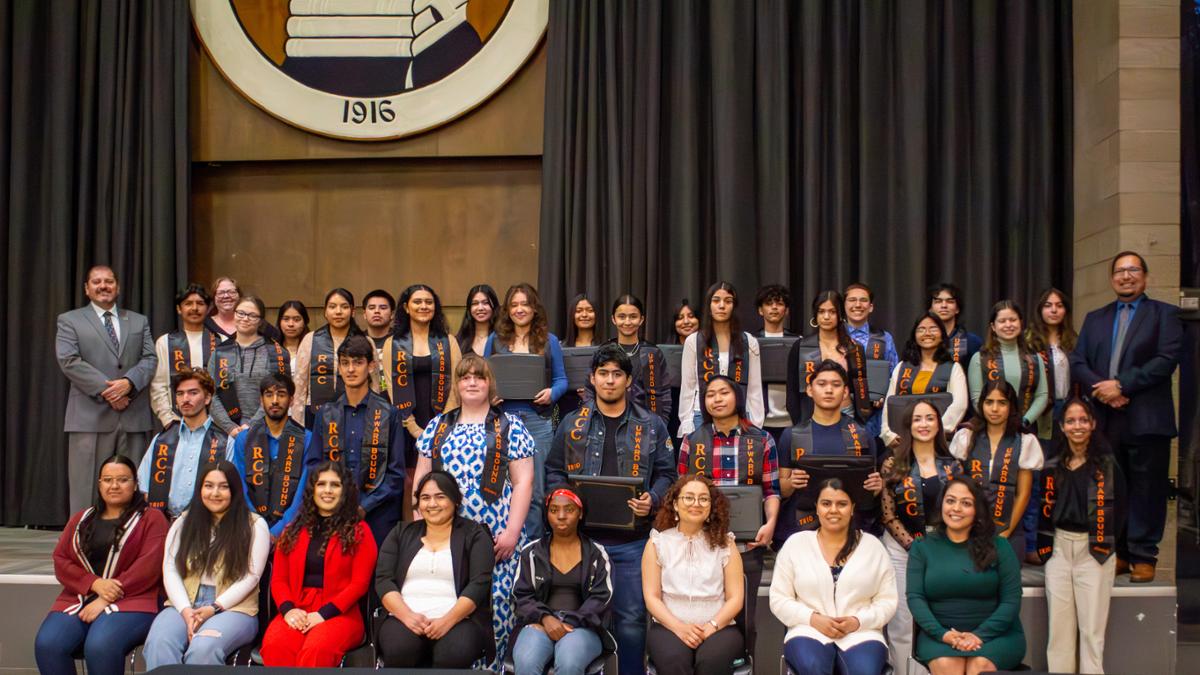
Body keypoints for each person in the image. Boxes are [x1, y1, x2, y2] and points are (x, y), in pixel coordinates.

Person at [546, 343, 676, 675]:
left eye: (617, 374)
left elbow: (667, 475)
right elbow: (554, 470)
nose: (609, 380)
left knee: (631, 620)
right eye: (603, 374)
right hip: (581, 543)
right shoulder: (573, 422)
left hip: (632, 542)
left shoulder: (651, 425)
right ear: (592, 378)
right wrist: (562, 499)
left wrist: (654, 499)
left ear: (629, 381)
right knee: (577, 620)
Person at [412, 354, 536, 666]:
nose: (471, 382)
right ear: (456, 383)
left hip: (496, 539)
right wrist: (419, 531)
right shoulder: (438, 426)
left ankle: (492, 669)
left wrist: (511, 532)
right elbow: (421, 481)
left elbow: (524, 483)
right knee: (448, 603)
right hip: (445, 537)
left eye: (478, 377)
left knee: (494, 607)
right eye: (465, 377)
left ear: (489, 383)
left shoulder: (510, 426)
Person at [1070, 251, 1181, 583]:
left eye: (1133, 270)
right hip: (1106, 418)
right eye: (1120, 271)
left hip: (1147, 417)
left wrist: (1122, 385)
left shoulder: (1165, 314)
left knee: (1148, 487)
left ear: (1145, 277)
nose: (1126, 276)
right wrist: (1103, 390)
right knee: (1110, 486)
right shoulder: (1095, 318)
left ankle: (1144, 555)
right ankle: (1117, 552)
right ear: (1111, 278)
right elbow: (1078, 361)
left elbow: (1166, 359)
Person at [35, 455, 168, 675]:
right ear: (99, 484)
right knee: (48, 645)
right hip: (82, 597)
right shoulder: (82, 519)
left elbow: (149, 566)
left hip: (135, 599)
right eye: (107, 480)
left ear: (135, 484)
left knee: (100, 646)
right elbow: (61, 560)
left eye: (123, 480)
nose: (114, 485)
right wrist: (94, 584)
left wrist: (106, 596)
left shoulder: (152, 518)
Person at [676, 374, 779, 655]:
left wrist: (770, 523)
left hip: (747, 546)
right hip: (703, 546)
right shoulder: (692, 441)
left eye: (724, 393)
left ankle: (741, 665)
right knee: (699, 615)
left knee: (745, 619)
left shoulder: (762, 439)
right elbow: (682, 495)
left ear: (738, 397)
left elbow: (771, 490)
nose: (717, 399)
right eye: (710, 395)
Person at [143, 461, 271, 668]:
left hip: (234, 608)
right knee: (159, 643)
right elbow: (170, 568)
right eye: (208, 485)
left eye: (224, 486)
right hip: (184, 602)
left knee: (203, 649)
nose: (215, 493)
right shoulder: (183, 522)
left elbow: (251, 576)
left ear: (235, 490)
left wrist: (214, 608)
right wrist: (185, 610)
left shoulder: (255, 525)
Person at [56, 264, 158, 512]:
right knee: (86, 490)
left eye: (109, 281)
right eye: (96, 281)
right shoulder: (70, 320)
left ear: (118, 287)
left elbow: (150, 358)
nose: (103, 286)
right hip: (89, 418)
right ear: (87, 289)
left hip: (133, 417)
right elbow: (69, 360)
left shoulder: (137, 320)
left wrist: (129, 384)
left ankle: (130, 542)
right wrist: (111, 391)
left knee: (132, 487)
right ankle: (83, 544)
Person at [770, 478, 896, 675]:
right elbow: (778, 599)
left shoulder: (873, 547)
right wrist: (812, 618)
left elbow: (887, 601)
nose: (833, 510)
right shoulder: (796, 544)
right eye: (826, 503)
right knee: (813, 667)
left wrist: (857, 621)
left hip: (861, 633)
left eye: (842, 504)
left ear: (852, 508)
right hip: (808, 630)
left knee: (863, 671)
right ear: (817, 508)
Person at [259, 461, 378, 667]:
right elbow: (279, 580)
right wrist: (289, 611)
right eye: (321, 484)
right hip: (297, 609)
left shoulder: (359, 532)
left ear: (345, 491)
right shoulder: (292, 530)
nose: (328, 490)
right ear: (312, 490)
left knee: (316, 650)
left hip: (340, 614)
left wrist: (322, 615)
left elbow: (359, 585)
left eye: (335, 485)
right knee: (275, 646)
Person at [1038, 398, 1125, 674]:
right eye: (1071, 421)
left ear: (1093, 424)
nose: (1078, 426)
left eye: (1083, 420)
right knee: (1059, 636)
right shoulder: (1053, 466)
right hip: (1060, 550)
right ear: (1062, 427)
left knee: (1091, 634)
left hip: (1094, 552)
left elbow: (1121, 510)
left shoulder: (1107, 466)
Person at [374, 471, 496, 668]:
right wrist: (407, 616)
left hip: (458, 620)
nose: (432, 504)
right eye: (425, 498)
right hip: (404, 618)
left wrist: (447, 621)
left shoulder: (474, 534)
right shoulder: (400, 532)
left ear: (455, 500)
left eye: (440, 497)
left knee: (455, 653)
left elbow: (479, 584)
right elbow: (383, 580)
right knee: (400, 649)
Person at [906, 478, 1025, 673]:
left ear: (977, 509)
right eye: (950, 500)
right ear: (942, 504)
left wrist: (978, 636)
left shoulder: (1000, 546)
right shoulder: (922, 547)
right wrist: (944, 635)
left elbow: (1011, 601)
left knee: (979, 666)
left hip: (997, 636)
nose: (956, 508)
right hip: (939, 636)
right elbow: (915, 598)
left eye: (966, 503)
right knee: (947, 665)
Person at [879, 401, 962, 671]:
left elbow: (961, 512)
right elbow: (888, 514)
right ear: (908, 426)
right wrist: (914, 546)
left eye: (929, 418)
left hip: (944, 550)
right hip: (901, 550)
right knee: (901, 622)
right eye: (917, 419)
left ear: (939, 424)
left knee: (941, 618)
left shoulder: (954, 466)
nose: (923, 424)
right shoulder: (893, 464)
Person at [484, 282, 568, 539]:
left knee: (536, 490)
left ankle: (532, 548)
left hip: (537, 422)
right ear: (507, 310)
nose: (520, 309)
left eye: (525, 304)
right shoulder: (494, 341)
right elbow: (483, 377)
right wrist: (491, 395)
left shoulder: (549, 340)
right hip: (501, 421)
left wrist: (551, 394)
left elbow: (562, 381)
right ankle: (501, 541)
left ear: (534, 308)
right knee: (498, 485)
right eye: (514, 305)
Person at [305, 334, 406, 545]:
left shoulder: (389, 413)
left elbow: (395, 474)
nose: (351, 369)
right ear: (339, 369)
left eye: (358, 362)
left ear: (370, 366)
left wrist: (364, 506)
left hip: (378, 515)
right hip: (332, 511)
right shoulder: (325, 414)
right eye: (345, 363)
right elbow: (314, 465)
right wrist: (334, 501)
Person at [642, 474, 745, 675]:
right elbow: (651, 598)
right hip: (668, 627)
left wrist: (711, 627)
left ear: (710, 507)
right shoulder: (657, 543)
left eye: (704, 499)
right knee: (674, 662)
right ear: (675, 504)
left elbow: (736, 599)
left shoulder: (726, 544)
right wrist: (679, 627)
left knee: (710, 662)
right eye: (688, 497)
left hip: (720, 628)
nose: (696, 503)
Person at [776, 361, 884, 548]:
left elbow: (869, 491)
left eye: (836, 385)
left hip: (850, 529)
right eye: (822, 384)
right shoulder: (792, 435)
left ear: (845, 392)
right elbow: (782, 490)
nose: (828, 390)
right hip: (803, 530)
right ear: (809, 390)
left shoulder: (861, 434)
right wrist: (791, 482)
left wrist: (877, 486)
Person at [511, 488, 614, 675]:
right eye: (553, 510)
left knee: (569, 662)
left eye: (569, 509)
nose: (561, 516)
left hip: (583, 628)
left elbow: (601, 599)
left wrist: (563, 621)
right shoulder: (531, 553)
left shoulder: (597, 554)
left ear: (580, 513)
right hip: (539, 625)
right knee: (526, 663)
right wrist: (545, 618)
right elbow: (521, 597)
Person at [950, 380, 1043, 561]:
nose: (994, 409)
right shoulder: (966, 437)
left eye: (1002, 403)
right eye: (989, 402)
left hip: (1009, 532)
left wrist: (1005, 533)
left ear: (1011, 406)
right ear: (981, 404)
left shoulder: (1024, 441)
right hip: (968, 530)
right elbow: (957, 487)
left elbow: (1024, 494)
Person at [1023, 287, 1078, 564]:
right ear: (1040, 310)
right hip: (1039, 416)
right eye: (1048, 305)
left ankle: (1064, 544)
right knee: (1035, 482)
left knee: (1065, 481)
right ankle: (1033, 543)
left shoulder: (1074, 341)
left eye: (1059, 305)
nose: (1054, 310)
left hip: (1070, 412)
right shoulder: (1029, 342)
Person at [138, 369, 232, 518]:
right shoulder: (161, 440)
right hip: (163, 523)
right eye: (180, 394)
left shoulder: (225, 442)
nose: (185, 399)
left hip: (206, 523)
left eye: (193, 393)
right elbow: (144, 489)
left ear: (207, 398)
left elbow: (231, 491)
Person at [229, 372, 311, 538]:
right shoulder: (244, 440)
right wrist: (258, 526)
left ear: (292, 400)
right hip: (251, 527)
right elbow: (240, 488)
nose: (275, 400)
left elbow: (303, 492)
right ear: (261, 400)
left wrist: (279, 530)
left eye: (281, 394)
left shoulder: (307, 439)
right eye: (269, 395)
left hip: (292, 530)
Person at [678, 281, 764, 437]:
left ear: (734, 306)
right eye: (716, 300)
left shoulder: (749, 342)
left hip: (740, 415)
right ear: (709, 305)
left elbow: (754, 389)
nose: (722, 306)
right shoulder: (694, 341)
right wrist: (686, 423)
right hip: (701, 414)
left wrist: (756, 425)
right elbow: (688, 388)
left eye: (728, 301)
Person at [879, 313, 970, 448]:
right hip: (903, 442)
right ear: (914, 336)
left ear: (942, 335)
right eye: (921, 329)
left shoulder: (953, 368)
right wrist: (888, 434)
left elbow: (959, 405)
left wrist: (933, 431)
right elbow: (890, 404)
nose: (927, 333)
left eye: (933, 329)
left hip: (940, 442)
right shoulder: (902, 367)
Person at [387, 284, 462, 443]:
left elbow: (457, 384)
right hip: (405, 422)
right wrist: (414, 429)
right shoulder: (392, 343)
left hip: (444, 423)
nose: (423, 306)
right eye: (417, 302)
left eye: (429, 302)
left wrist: (442, 425)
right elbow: (391, 387)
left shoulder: (449, 341)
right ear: (407, 307)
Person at [785, 291, 873, 427]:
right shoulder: (801, 346)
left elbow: (861, 387)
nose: (826, 317)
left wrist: (860, 420)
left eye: (832, 312)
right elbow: (792, 390)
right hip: (810, 414)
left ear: (840, 315)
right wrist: (798, 422)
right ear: (815, 314)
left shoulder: (853, 347)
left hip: (846, 413)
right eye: (821, 312)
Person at [208, 296, 290, 436]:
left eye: (252, 315)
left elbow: (280, 394)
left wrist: (251, 426)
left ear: (260, 321)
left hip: (266, 430)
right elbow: (211, 393)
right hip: (224, 433)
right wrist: (230, 428)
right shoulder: (220, 352)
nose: (245, 319)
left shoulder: (276, 353)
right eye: (241, 313)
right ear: (234, 314)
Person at [967, 300, 1049, 428]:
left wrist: (1025, 421)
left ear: (1021, 323)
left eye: (1013, 320)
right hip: (990, 429)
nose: (1008, 325)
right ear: (993, 327)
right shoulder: (979, 359)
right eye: (1002, 321)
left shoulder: (1035, 358)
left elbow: (1042, 396)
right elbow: (977, 399)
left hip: (1025, 429)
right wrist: (997, 422)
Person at [151, 283, 220, 428]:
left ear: (208, 309)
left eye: (200, 303)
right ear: (179, 309)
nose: (194, 308)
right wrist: (168, 420)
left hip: (215, 423)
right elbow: (159, 386)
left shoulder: (221, 342)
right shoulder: (165, 342)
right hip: (176, 422)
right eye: (188, 303)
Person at [291, 288, 362, 426]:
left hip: (356, 414)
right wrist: (298, 425)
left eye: (344, 306)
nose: (338, 312)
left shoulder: (364, 341)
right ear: (325, 311)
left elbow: (374, 386)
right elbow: (299, 388)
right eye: (332, 306)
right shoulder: (311, 339)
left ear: (352, 311)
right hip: (315, 415)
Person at [843, 283, 900, 438]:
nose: (858, 305)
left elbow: (895, 376)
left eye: (863, 300)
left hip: (875, 416)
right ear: (844, 305)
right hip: (838, 411)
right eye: (852, 300)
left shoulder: (884, 338)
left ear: (871, 307)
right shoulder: (834, 337)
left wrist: (884, 395)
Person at [609, 293, 673, 426]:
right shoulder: (605, 352)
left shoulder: (653, 353)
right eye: (622, 316)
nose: (627, 322)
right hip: (610, 423)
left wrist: (661, 425)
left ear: (641, 319)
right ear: (613, 319)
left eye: (633, 317)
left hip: (646, 425)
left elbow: (665, 394)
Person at [754, 284, 796, 444]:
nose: (774, 307)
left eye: (779, 303)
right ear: (760, 310)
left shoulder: (797, 342)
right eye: (768, 303)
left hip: (790, 420)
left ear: (786, 310)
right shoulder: (749, 342)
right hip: (759, 420)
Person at [927, 283, 983, 366]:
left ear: (957, 309)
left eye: (950, 301)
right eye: (938, 301)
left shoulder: (972, 341)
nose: (944, 305)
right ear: (930, 309)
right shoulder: (923, 339)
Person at [457, 284, 500, 356]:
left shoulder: (503, 339)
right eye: (475, 303)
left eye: (485, 303)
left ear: (494, 306)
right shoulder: (459, 341)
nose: (480, 308)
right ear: (469, 308)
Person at [276, 301, 311, 373]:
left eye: (296, 319)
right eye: (286, 319)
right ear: (279, 322)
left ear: (305, 322)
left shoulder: (314, 347)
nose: (291, 324)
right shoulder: (270, 347)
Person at [361, 288, 395, 353]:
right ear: (365, 314)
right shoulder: (356, 340)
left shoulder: (401, 341)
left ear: (392, 314)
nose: (377, 311)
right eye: (371, 308)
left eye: (383, 308)